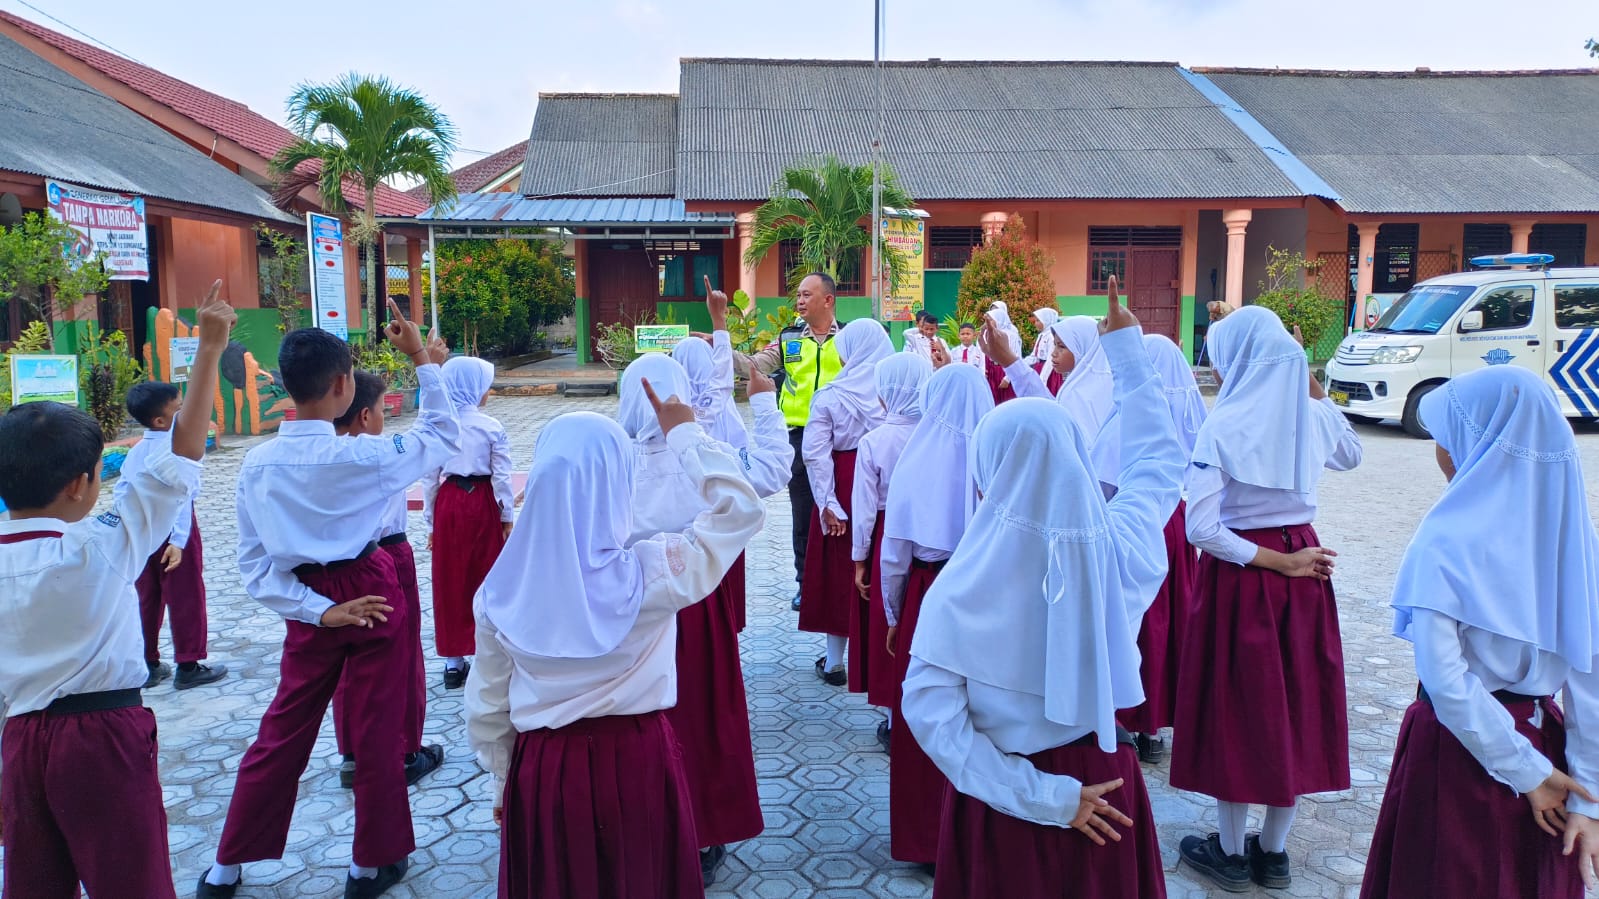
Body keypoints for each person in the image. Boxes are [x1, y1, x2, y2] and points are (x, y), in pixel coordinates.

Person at [900, 283, 1183, 898]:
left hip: (1006, 803)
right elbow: (1159, 468)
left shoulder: (957, 592)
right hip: (1105, 785)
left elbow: (934, 722)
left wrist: (1044, 798)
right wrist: (1127, 353)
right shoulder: (1116, 551)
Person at [198, 301, 457, 899]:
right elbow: (440, 434)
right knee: (376, 730)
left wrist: (315, 610)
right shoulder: (359, 455)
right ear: (344, 386)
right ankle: (369, 866)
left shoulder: (257, 465)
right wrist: (420, 356)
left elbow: (253, 565)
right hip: (369, 589)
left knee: (281, 730)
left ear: (288, 384)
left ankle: (225, 868)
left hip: (304, 596)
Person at [464, 391, 765, 899]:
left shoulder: (500, 591)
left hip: (544, 772)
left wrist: (502, 783)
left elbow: (489, 708)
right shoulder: (651, 573)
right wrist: (686, 436)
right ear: (616, 483)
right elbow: (740, 511)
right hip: (638, 759)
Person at [0, 281, 232, 899]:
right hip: (101, 733)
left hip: (18, 740)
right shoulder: (100, 541)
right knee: (133, 882)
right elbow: (184, 452)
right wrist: (209, 348)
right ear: (82, 483)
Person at [1361, 366, 1599, 898]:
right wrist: (1587, 799)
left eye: (1445, 438)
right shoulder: (1578, 541)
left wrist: (1526, 772)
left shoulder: (1446, 539)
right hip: (1547, 748)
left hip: (1459, 751)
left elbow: (1446, 682)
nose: (1440, 452)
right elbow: (1591, 683)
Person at [1168, 305, 1362, 893]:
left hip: (1247, 573)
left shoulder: (1223, 425)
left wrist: (1277, 563)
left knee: (1239, 707)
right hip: (1307, 569)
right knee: (1296, 702)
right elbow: (1353, 453)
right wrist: (1308, 380)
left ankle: (1229, 852)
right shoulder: (1313, 417)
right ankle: (1273, 854)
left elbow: (1201, 530)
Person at [615, 344, 791, 886]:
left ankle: (636, 824)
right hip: (695, 600)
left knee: (636, 720)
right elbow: (770, 472)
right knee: (703, 714)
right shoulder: (704, 454)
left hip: (627, 607)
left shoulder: (608, 460)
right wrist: (766, 408)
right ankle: (702, 831)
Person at [879, 361, 994, 866]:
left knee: (929, 707)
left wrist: (892, 613)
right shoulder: (999, 457)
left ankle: (927, 837)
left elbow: (894, 555)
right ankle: (982, 837)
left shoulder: (916, 458)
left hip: (929, 591)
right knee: (985, 716)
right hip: (988, 592)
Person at [329, 371, 443, 791]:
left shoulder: (322, 456)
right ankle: (407, 749)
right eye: (380, 410)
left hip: (338, 565)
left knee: (348, 659)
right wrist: (424, 363)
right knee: (401, 656)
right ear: (364, 414)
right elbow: (435, 432)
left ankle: (352, 754)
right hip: (388, 555)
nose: (383, 418)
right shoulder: (380, 453)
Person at [674, 277, 792, 631]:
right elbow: (720, 382)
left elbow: (719, 380)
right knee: (716, 620)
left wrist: (720, 330)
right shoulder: (713, 436)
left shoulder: (662, 432)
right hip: (718, 535)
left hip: (671, 558)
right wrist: (719, 325)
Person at [1116, 334, 1205, 763]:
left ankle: (1129, 716)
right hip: (1177, 523)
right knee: (1167, 622)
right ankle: (1154, 723)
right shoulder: (1191, 410)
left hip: (1138, 516)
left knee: (1138, 618)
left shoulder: (1134, 409)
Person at [739, 272, 842, 613]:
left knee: (840, 511)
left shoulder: (850, 338)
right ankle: (806, 584)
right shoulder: (788, 338)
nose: (799, 300)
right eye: (797, 294)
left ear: (827, 300)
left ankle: (840, 579)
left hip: (839, 440)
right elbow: (754, 365)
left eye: (806, 294)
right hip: (798, 438)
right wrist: (719, 347)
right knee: (804, 515)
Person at [800, 318, 894, 686]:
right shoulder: (896, 392)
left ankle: (836, 662)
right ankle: (880, 655)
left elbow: (815, 454)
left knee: (841, 568)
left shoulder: (831, 396)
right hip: (887, 482)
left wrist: (829, 503)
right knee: (879, 565)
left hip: (844, 482)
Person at [118, 380, 228, 691]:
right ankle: (188, 664)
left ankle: (148, 663)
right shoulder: (176, 451)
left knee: (146, 597)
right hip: (173, 534)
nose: (185, 415)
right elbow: (181, 498)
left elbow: (123, 491)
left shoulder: (137, 451)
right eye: (179, 410)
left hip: (141, 534)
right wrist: (179, 542)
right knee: (186, 596)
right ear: (160, 421)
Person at [850, 353, 932, 737]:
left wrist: (859, 558)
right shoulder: (937, 434)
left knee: (890, 616)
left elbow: (864, 508)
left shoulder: (875, 441)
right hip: (933, 534)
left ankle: (891, 716)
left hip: (888, 532)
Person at [423, 356, 513, 689]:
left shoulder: (438, 425)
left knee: (449, 577)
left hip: (449, 502)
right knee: (486, 575)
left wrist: (432, 523)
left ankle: (452, 662)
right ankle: (486, 656)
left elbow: (429, 477)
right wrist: (507, 518)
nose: (487, 391)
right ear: (474, 388)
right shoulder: (491, 427)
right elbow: (502, 476)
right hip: (483, 502)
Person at [982, 301, 1024, 404]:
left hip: (1005, 371)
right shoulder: (988, 334)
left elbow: (1017, 356)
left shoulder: (1011, 334)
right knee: (993, 401)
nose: (988, 323)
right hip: (992, 371)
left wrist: (1008, 378)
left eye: (991, 320)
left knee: (1007, 401)